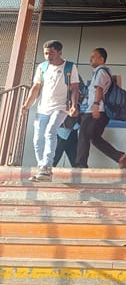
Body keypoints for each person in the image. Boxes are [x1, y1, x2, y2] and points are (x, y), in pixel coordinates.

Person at [21, 39, 80, 182]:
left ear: (60, 52)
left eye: (52, 53)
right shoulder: (42, 67)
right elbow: (36, 87)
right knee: (37, 138)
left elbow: (75, 88)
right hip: (43, 108)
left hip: (61, 107)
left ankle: (47, 165)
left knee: (50, 131)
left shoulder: (70, 67)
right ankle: (42, 168)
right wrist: (26, 104)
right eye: (46, 53)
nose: (48, 56)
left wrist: (73, 105)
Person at [75, 47, 126, 169]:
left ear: (101, 59)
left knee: (83, 135)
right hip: (103, 113)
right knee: (95, 138)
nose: (90, 59)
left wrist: (95, 105)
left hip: (96, 110)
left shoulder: (101, 72)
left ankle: (80, 165)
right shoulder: (105, 72)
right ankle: (119, 156)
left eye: (93, 57)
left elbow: (98, 89)